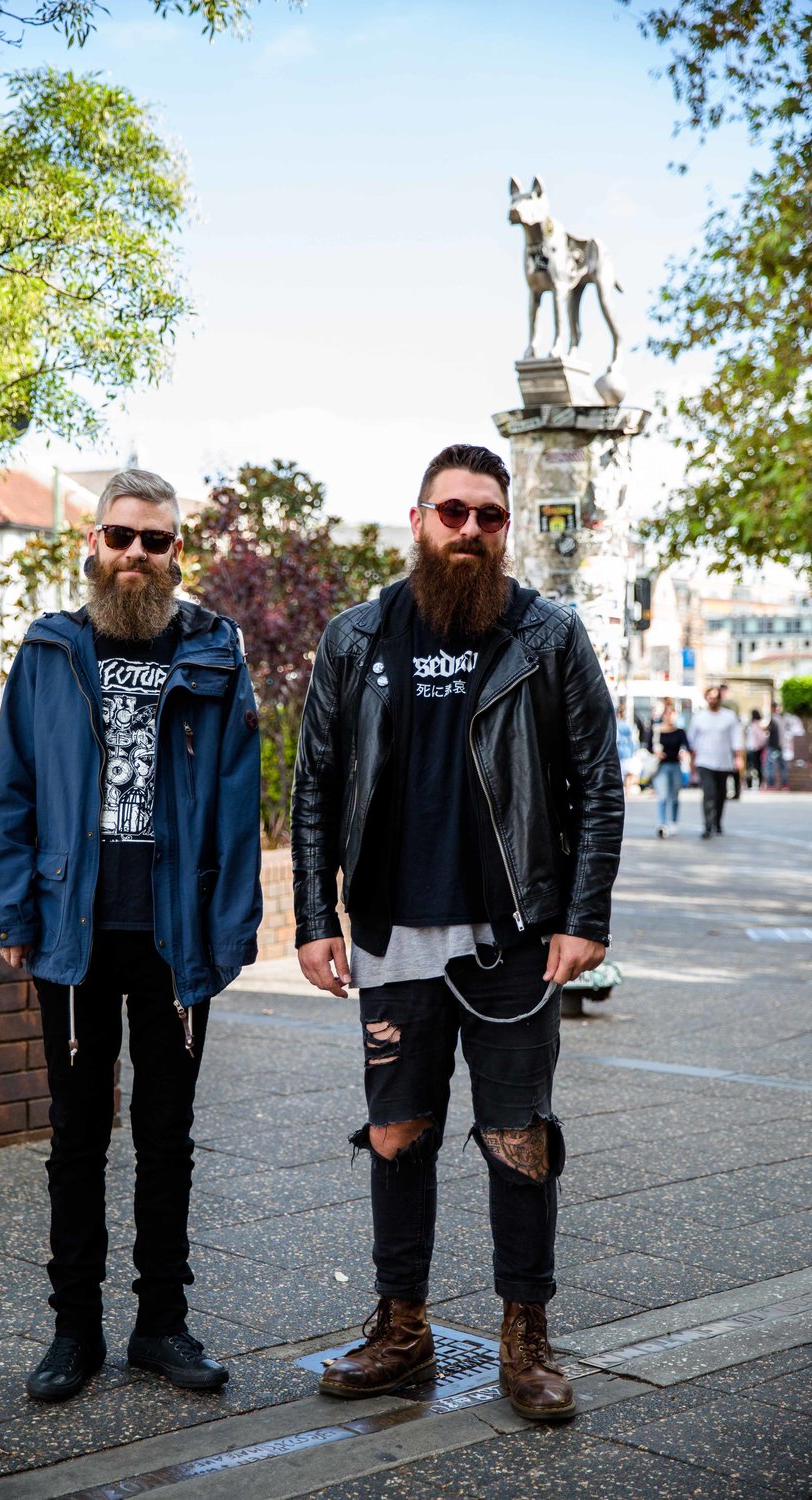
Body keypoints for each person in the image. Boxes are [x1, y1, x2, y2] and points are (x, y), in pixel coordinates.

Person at [291, 442, 623, 1423]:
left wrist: (584, 917)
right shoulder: (357, 638)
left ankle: (527, 1340)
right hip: (393, 933)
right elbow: (313, 784)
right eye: (452, 512)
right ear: (418, 521)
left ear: (506, 526)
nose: (470, 530)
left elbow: (596, 783)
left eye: (488, 514)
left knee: (517, 1140)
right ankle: (402, 1329)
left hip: (515, 934)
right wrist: (316, 920)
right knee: (397, 1137)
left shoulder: (546, 634)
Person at [0, 469, 262, 1402]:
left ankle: (162, 1326)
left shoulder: (215, 652)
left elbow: (236, 802)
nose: (136, 554)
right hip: (73, 933)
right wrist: (13, 911)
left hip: (175, 936)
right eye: (121, 536)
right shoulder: (50, 652)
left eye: (156, 540)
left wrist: (232, 931)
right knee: (75, 1138)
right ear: (91, 544)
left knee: (167, 1136)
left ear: (178, 551)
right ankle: (74, 1331)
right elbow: (11, 791)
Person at [688, 685, 744, 838]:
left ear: (719, 699)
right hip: (704, 761)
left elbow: (736, 739)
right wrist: (692, 761)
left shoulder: (729, 716)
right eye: (710, 697)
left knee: (721, 793)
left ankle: (717, 822)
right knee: (708, 792)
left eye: (715, 697)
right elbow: (692, 741)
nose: (712, 700)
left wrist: (738, 757)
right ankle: (707, 825)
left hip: (724, 761)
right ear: (706, 698)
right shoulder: (699, 717)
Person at [654, 702, 689, 836]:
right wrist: (656, 752)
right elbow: (648, 746)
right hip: (661, 766)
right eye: (667, 713)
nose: (669, 716)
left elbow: (686, 746)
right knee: (662, 795)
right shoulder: (656, 730)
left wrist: (683, 752)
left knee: (674, 796)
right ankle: (662, 823)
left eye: (672, 714)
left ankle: (673, 822)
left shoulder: (680, 732)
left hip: (675, 765)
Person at [719, 684, 742, 800]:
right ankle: (732, 791)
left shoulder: (729, 705)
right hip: (724, 742)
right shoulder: (731, 704)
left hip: (728, 741)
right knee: (729, 769)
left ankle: (735, 791)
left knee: (732, 769)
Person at [745, 708, 767, 790]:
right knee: (756, 766)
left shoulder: (753, 725)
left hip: (753, 748)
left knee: (752, 767)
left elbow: (760, 738)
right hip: (755, 748)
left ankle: (751, 783)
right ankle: (755, 783)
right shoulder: (757, 725)